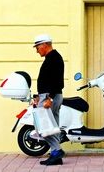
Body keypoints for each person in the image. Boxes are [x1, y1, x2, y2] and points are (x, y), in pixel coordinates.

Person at [33, 34, 65, 165]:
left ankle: (57, 150)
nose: (36, 50)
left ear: (44, 44)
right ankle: (55, 156)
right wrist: (37, 96)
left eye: (37, 47)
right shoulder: (52, 58)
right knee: (53, 127)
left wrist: (49, 98)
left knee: (43, 126)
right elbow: (47, 80)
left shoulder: (54, 59)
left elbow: (57, 81)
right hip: (49, 95)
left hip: (50, 97)